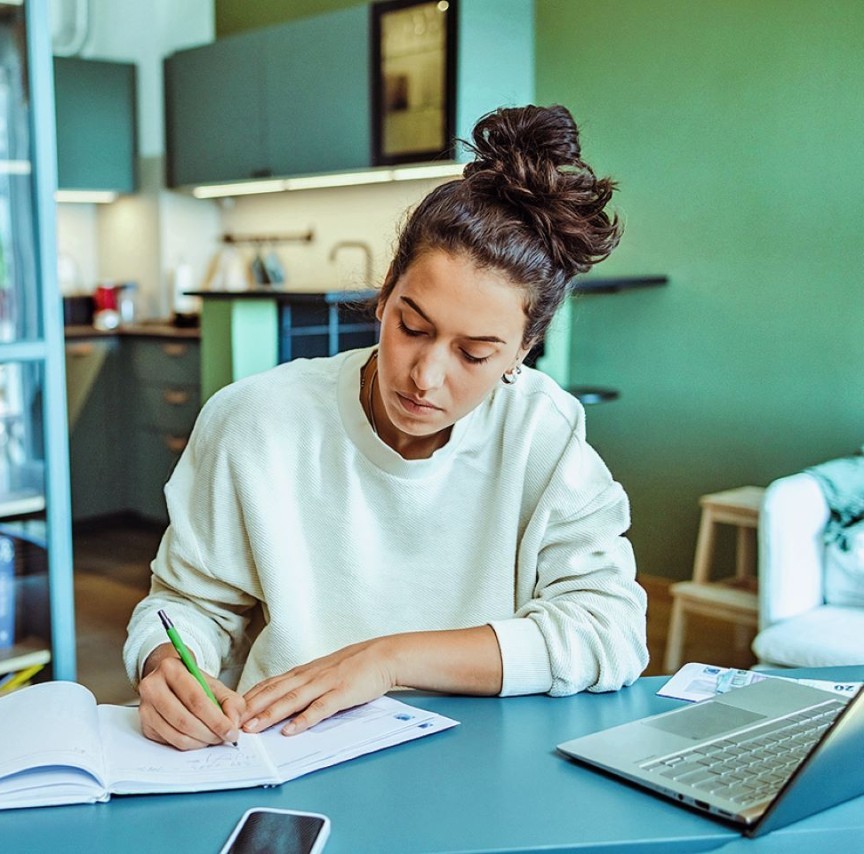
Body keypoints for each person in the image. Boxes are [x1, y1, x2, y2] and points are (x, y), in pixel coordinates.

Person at [124, 104, 650, 751]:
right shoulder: (256, 420)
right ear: (385, 292)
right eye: (413, 326)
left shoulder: (542, 430)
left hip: (476, 762)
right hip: (286, 754)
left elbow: (610, 631)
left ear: (524, 347)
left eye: (475, 353)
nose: (426, 376)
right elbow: (186, 606)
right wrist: (163, 663)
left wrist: (390, 659)